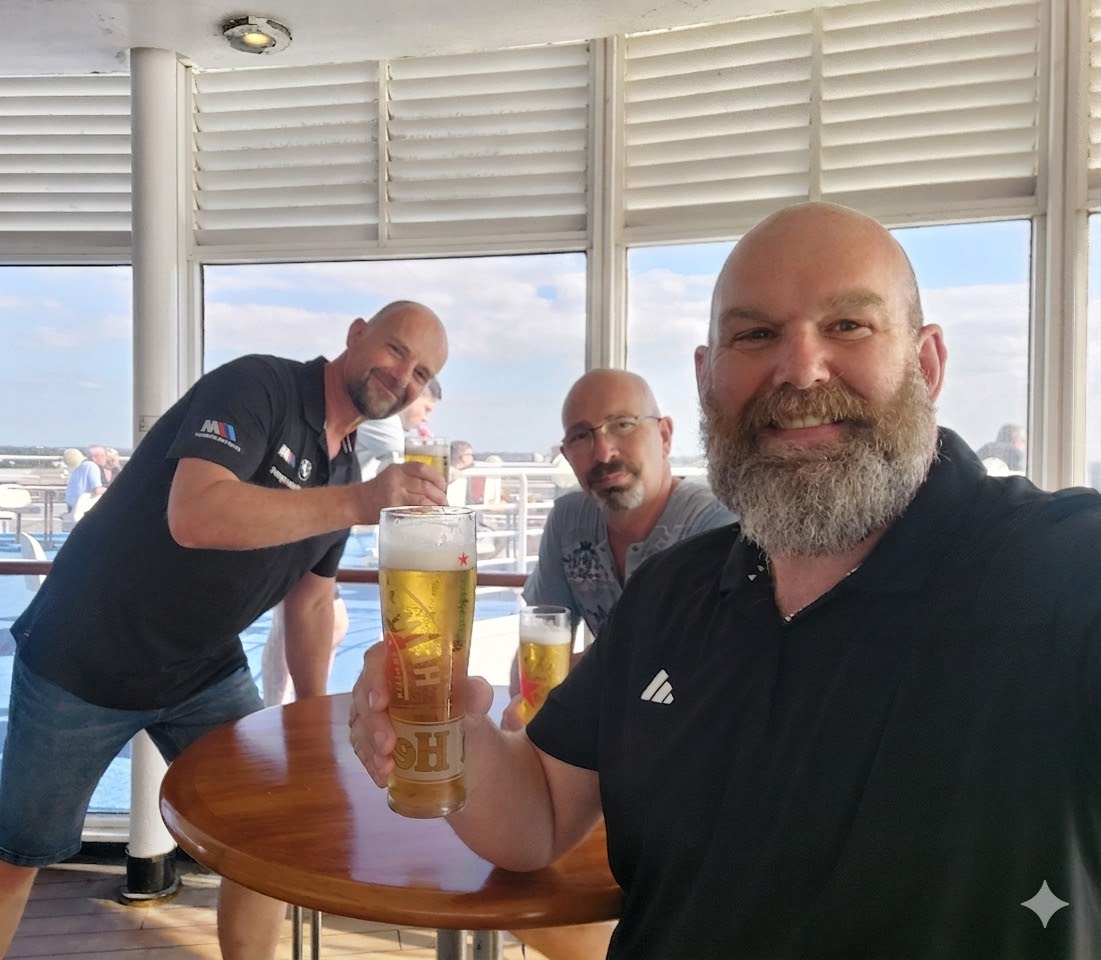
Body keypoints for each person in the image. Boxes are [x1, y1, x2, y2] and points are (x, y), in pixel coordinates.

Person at [349, 204, 1101, 959]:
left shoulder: (1056, 569)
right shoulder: (673, 594)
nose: (800, 370)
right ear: (708, 378)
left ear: (926, 362)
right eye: (755, 335)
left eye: (847, 326)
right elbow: (540, 812)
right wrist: (457, 729)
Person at [0, 300, 450, 960]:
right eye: (394, 351)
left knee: (262, 841)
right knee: (18, 857)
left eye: (421, 373)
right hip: (82, 660)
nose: (402, 376)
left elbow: (311, 603)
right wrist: (366, 500)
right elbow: (196, 515)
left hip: (201, 670)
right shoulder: (257, 387)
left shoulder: (346, 467)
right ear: (355, 336)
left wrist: (314, 710)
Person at [508, 368, 736, 959]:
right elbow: (544, 633)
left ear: (664, 433)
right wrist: (529, 739)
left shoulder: (715, 527)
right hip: (605, 764)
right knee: (521, 881)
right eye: (582, 435)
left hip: (698, 774)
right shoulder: (569, 521)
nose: (603, 450)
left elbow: (709, 685)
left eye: (622, 426)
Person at [355, 376, 441, 476]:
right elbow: (407, 473)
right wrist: (429, 449)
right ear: (412, 396)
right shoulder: (386, 419)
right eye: (426, 409)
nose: (426, 419)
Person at [64, 444, 106, 512]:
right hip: (83, 508)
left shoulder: (80, 467)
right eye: (103, 455)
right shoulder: (92, 466)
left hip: (72, 506)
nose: (105, 458)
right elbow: (97, 490)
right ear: (94, 457)